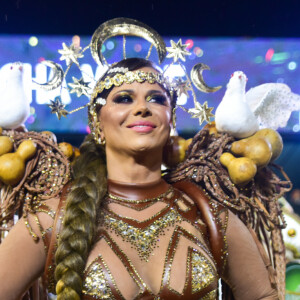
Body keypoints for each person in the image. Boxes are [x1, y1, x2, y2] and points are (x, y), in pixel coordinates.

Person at [0, 19, 286, 300]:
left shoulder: (209, 215)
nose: (142, 108)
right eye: (124, 98)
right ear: (97, 125)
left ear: (170, 121)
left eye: (156, 99)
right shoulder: (54, 218)